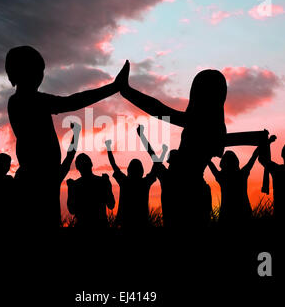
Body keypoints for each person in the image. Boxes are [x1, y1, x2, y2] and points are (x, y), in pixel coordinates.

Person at [5, 46, 128, 228]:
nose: (41, 76)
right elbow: (72, 102)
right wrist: (113, 88)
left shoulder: (17, 101)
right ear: (26, 72)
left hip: (41, 178)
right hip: (39, 182)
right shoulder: (32, 100)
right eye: (39, 71)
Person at [120, 64, 227, 229]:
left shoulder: (197, 123)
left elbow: (158, 109)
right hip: (191, 189)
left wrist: (127, 92)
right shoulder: (217, 128)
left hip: (184, 191)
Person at [105, 137, 158, 229]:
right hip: (142, 223)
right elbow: (157, 161)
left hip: (125, 223)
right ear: (141, 171)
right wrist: (142, 137)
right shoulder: (145, 183)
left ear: (128, 170)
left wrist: (108, 148)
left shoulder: (124, 182)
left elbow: (113, 164)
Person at [207, 148, 260, 226]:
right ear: (236, 162)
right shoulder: (242, 174)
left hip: (226, 216)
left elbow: (209, 162)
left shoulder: (222, 177)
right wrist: (266, 143)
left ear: (223, 163)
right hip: (244, 214)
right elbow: (254, 156)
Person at [66, 154, 115, 228]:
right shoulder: (102, 182)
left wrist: (70, 190)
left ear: (77, 168)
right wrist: (107, 185)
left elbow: (72, 210)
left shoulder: (75, 185)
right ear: (91, 164)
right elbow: (111, 205)